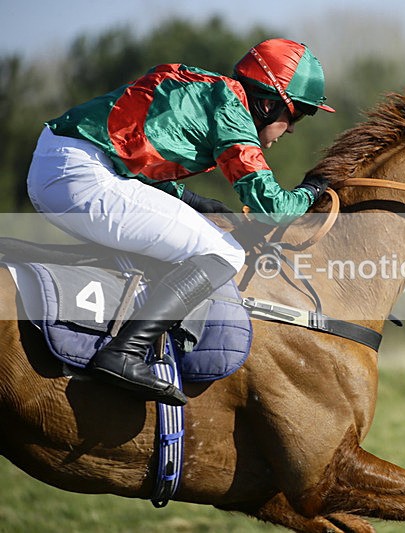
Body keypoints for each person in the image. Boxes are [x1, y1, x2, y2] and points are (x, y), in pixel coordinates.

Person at [26, 38, 334, 406]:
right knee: (225, 253)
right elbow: (273, 207)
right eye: (297, 114)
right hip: (80, 175)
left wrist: (195, 201)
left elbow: (140, 153)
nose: (293, 129)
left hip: (62, 162)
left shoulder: (206, 86)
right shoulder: (232, 111)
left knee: (200, 232)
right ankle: (124, 352)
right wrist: (313, 189)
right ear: (268, 104)